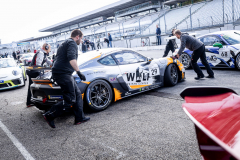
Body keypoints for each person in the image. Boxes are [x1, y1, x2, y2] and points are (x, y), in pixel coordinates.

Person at [43, 29, 90, 128]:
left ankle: (79, 118)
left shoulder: (64, 43)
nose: (81, 41)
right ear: (77, 37)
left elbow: (56, 59)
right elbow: (71, 59)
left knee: (77, 95)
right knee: (70, 100)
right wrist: (78, 72)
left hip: (64, 73)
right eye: (81, 39)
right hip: (62, 74)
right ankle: (49, 115)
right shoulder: (72, 43)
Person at [26, 43, 52, 108]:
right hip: (34, 72)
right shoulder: (41, 53)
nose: (50, 49)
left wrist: (54, 64)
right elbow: (38, 65)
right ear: (46, 48)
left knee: (32, 86)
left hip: (34, 72)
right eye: (50, 48)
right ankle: (32, 101)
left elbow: (49, 62)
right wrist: (44, 70)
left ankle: (29, 101)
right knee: (35, 87)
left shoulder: (44, 54)